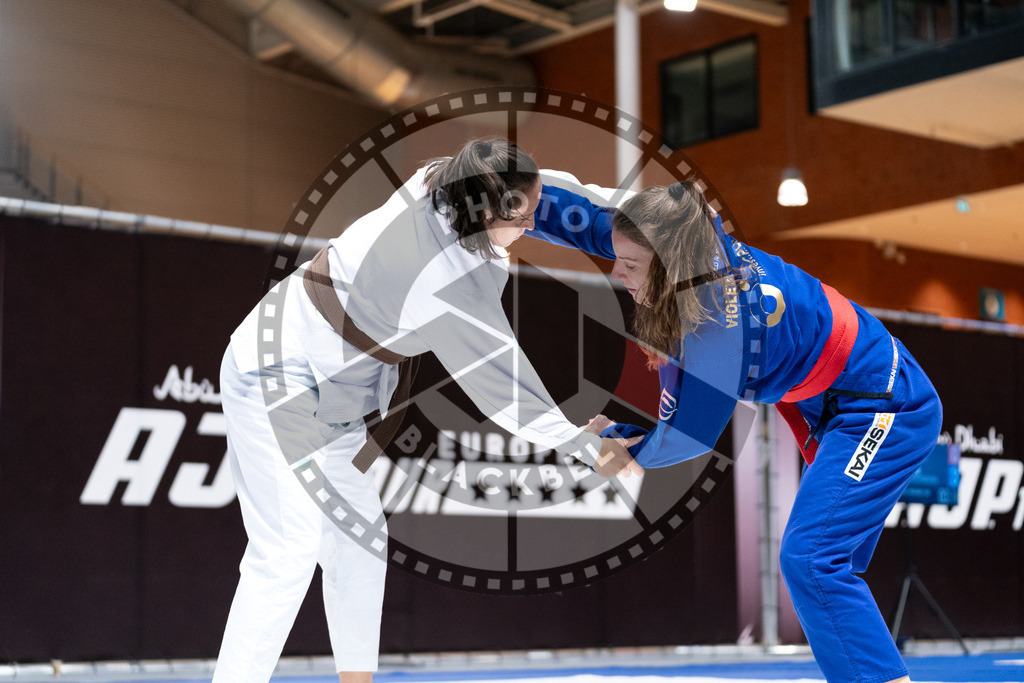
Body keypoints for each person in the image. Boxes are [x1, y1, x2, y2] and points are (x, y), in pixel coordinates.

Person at [212, 139, 641, 683]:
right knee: (288, 547)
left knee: (358, 541)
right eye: (524, 218)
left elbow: (549, 183)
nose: (534, 225)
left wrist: (643, 211)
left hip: (343, 391)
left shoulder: (449, 184)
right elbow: (507, 391)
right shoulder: (440, 279)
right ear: (487, 212)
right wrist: (586, 445)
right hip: (277, 370)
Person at [530, 176, 942, 683]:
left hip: (886, 406)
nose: (617, 273)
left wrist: (625, 450)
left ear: (668, 267)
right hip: (835, 404)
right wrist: (507, 198)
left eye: (631, 267)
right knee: (825, 566)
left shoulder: (717, 324)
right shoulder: (682, 246)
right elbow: (588, 224)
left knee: (813, 561)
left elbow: (687, 436)